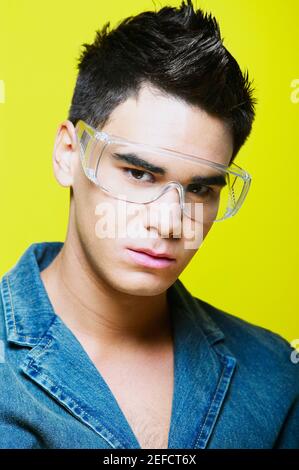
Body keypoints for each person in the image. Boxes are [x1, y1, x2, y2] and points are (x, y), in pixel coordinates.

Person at [0, 0, 298, 450]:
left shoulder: (277, 376)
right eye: (139, 174)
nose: (170, 222)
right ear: (68, 155)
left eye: (200, 189)